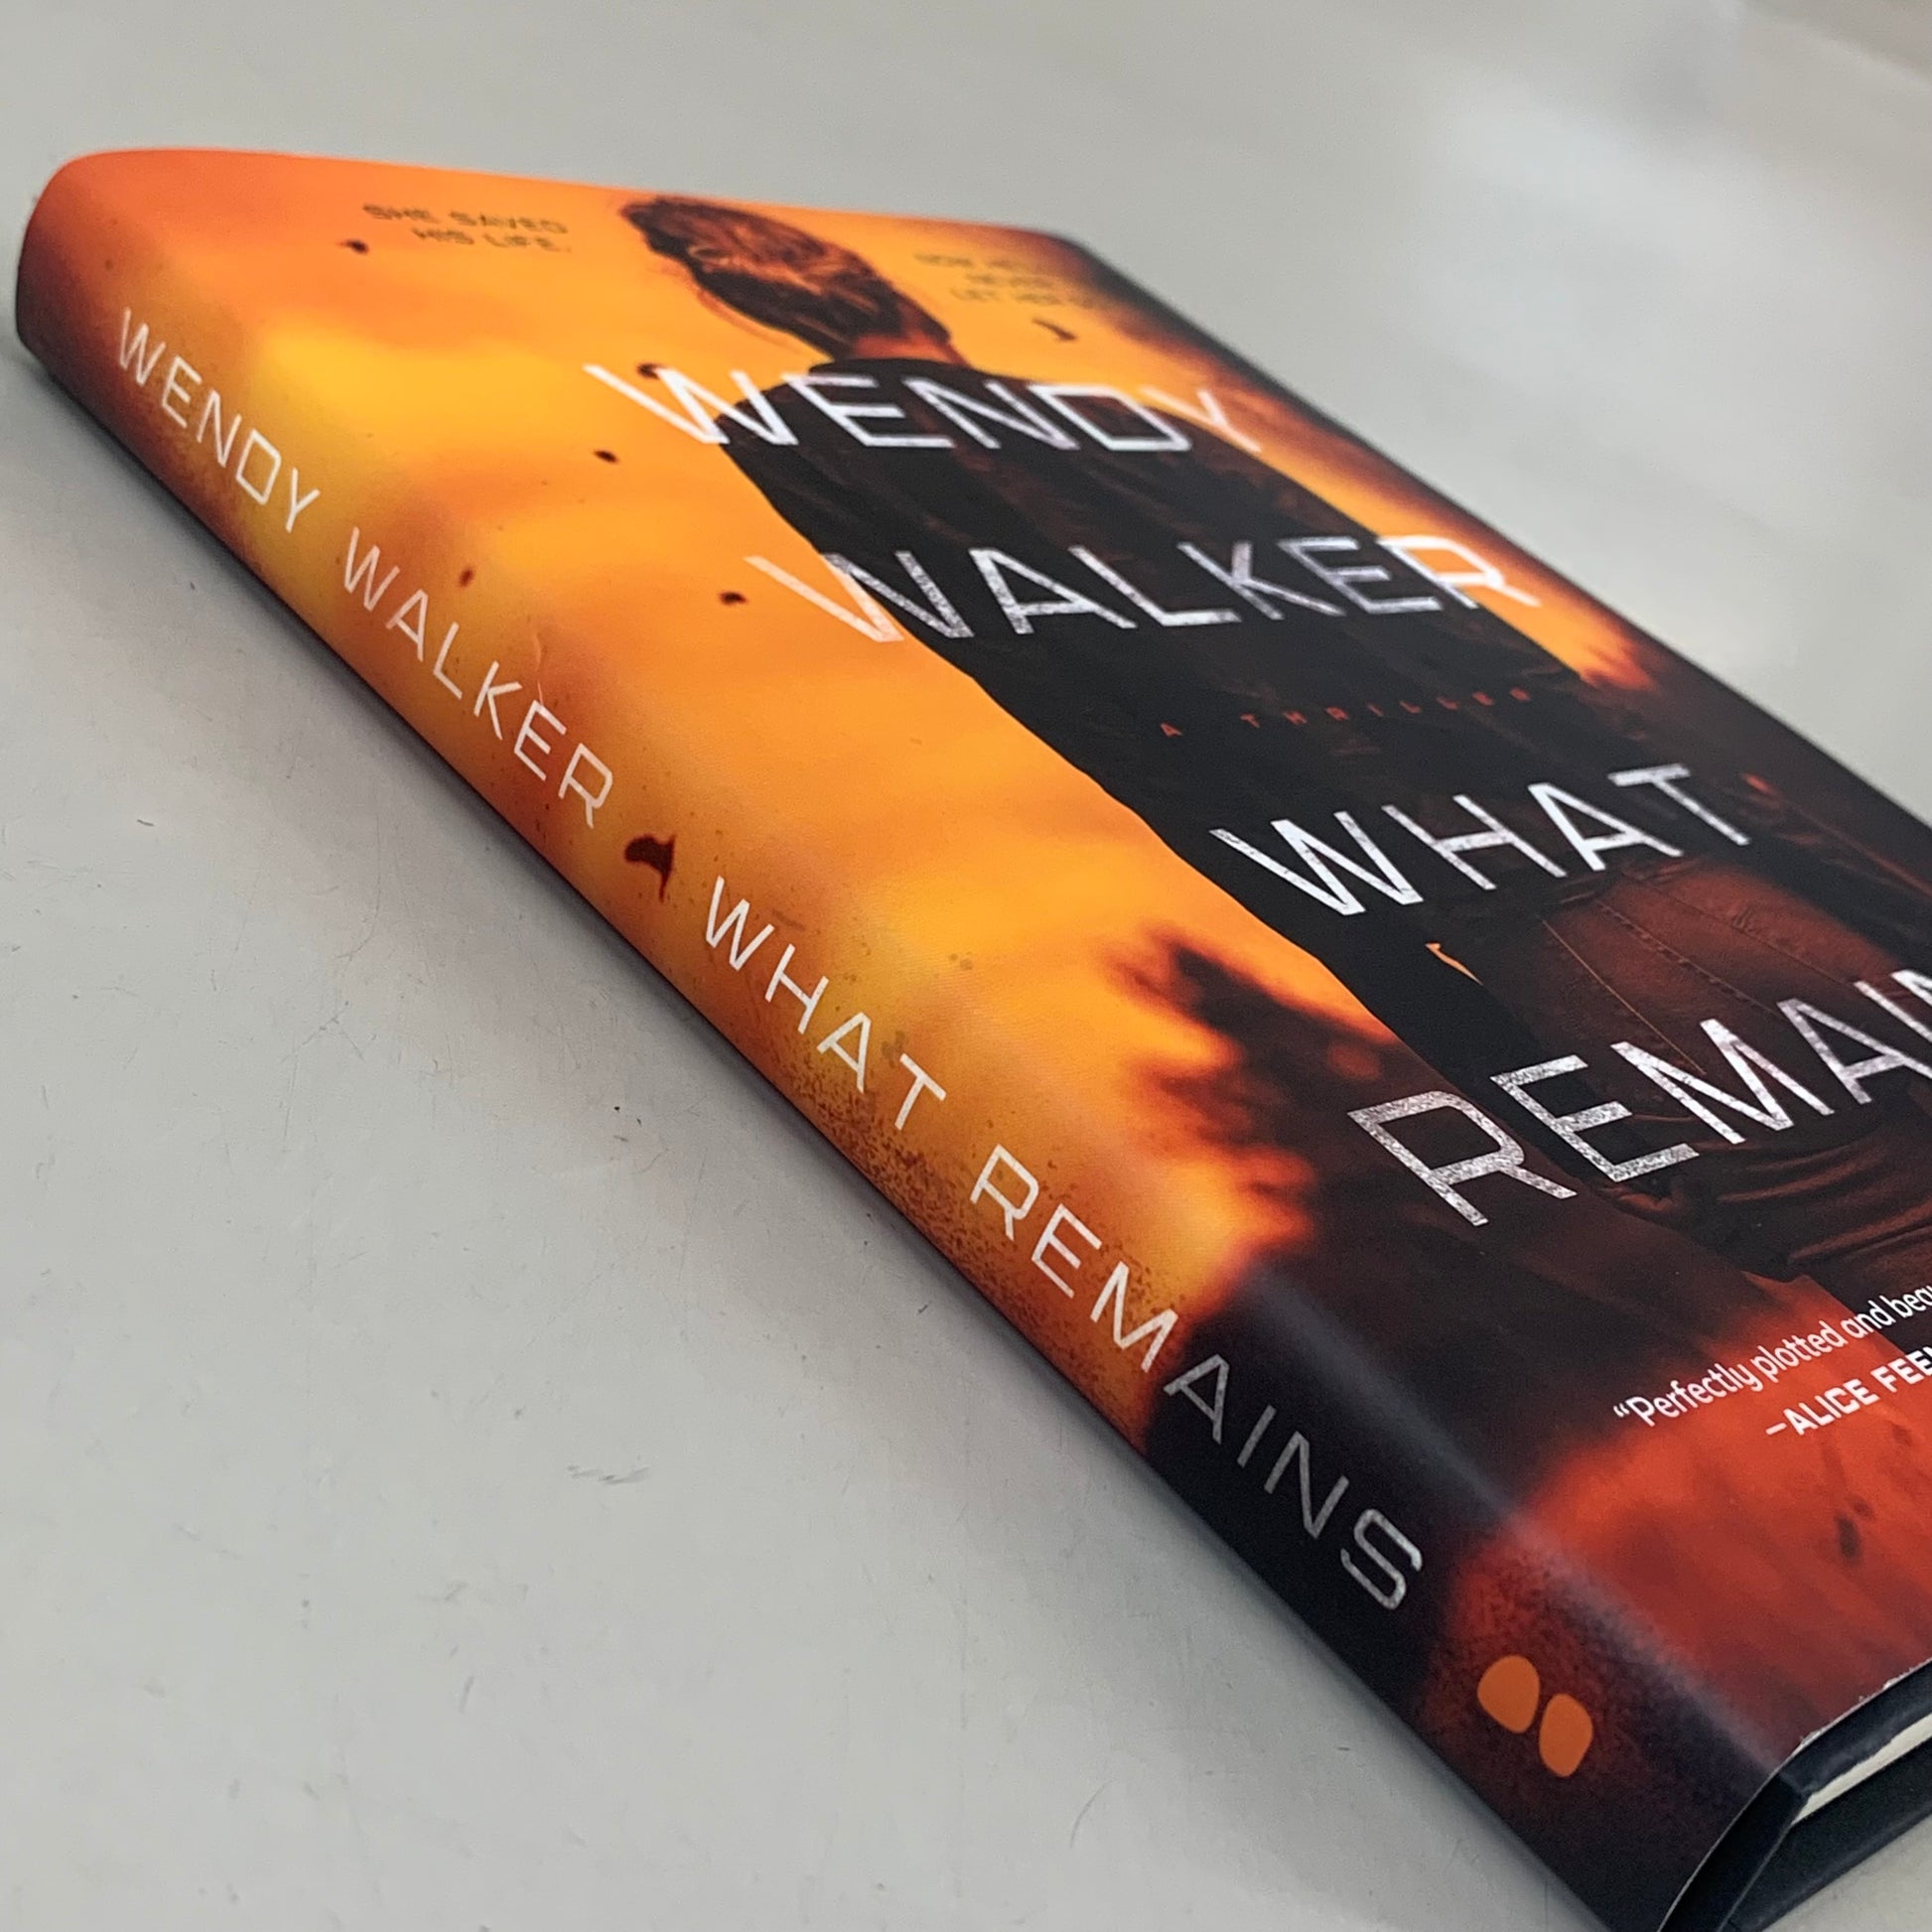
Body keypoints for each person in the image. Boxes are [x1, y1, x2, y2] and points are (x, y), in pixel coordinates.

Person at [620, 196, 1932, 1311]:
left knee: (1882, 1254)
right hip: (1720, 885)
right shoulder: (1167, 437)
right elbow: (1544, 686)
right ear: (903, 293)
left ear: (750, 306)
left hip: (1566, 964)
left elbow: (1260, 849)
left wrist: (1555, 1119)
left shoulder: (823, 456)